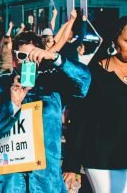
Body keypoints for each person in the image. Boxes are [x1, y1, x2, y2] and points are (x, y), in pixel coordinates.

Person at [0, 31, 91, 192]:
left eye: (32, 55)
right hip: (9, 181)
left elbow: (85, 83)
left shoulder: (53, 84)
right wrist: (12, 104)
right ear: (14, 57)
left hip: (45, 180)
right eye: (22, 55)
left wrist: (55, 58)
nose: (27, 61)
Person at [62, 16, 127, 193]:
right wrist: (71, 164)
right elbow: (82, 119)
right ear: (114, 40)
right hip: (102, 160)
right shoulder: (97, 73)